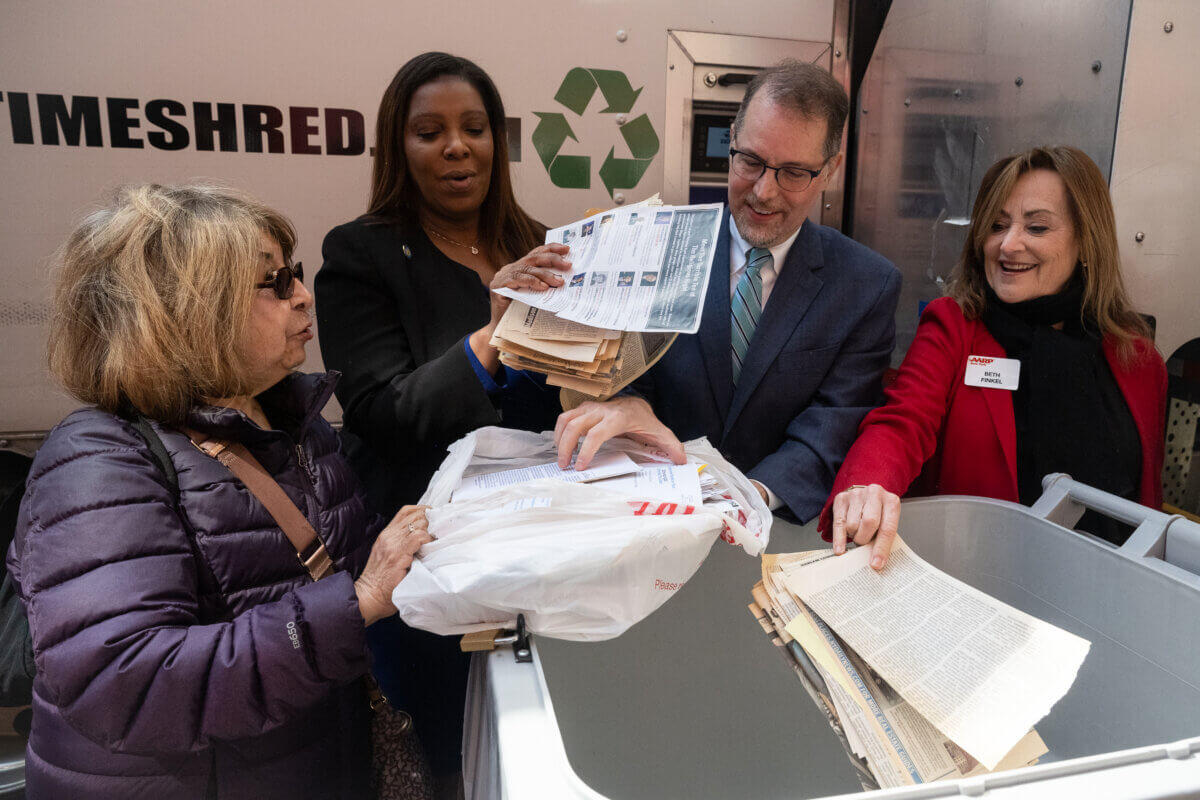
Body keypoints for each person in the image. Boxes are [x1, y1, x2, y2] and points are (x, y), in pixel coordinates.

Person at [8, 184, 434, 798]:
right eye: (276, 282)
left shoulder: (294, 422)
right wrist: (360, 600)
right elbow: (126, 683)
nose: (304, 296)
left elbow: (358, 567)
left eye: (297, 274)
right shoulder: (97, 460)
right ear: (186, 309)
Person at [314, 51, 568, 788]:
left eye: (475, 127)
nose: (457, 146)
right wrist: (492, 340)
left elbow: (556, 401)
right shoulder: (359, 254)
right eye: (430, 131)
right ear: (400, 146)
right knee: (450, 755)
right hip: (425, 568)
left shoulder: (536, 240)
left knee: (531, 748)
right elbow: (380, 412)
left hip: (531, 555)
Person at [553, 60, 902, 524]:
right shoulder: (658, 246)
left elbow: (833, 425)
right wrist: (628, 402)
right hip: (649, 518)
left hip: (772, 526)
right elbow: (624, 372)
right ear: (732, 138)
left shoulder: (865, 285)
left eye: (794, 173)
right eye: (750, 161)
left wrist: (743, 498)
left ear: (831, 170)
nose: (763, 192)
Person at [820, 145, 1167, 568]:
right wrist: (868, 484)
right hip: (980, 588)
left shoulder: (1139, 361)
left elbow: (1148, 507)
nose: (1008, 244)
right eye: (997, 225)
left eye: (1036, 228)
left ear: (1087, 241)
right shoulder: (954, 328)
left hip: (1109, 597)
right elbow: (901, 422)